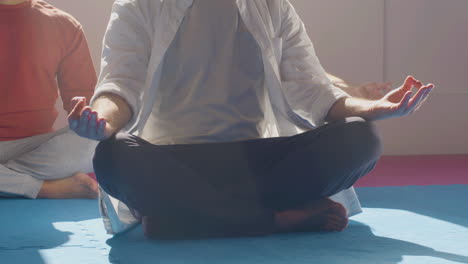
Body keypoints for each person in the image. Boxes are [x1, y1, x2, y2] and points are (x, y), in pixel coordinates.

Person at [69, 0, 434, 239]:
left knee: (361, 139)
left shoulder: (273, 6)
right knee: (113, 158)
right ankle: (274, 219)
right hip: (173, 161)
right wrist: (99, 120)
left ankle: (180, 219)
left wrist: (377, 109)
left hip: (259, 161)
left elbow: (315, 92)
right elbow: (119, 86)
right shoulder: (137, 5)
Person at [0, 0, 99, 199]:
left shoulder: (63, 25)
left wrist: (85, 117)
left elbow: (86, 103)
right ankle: (47, 188)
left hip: (38, 148)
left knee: (96, 143)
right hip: (42, 166)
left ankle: (9, 180)